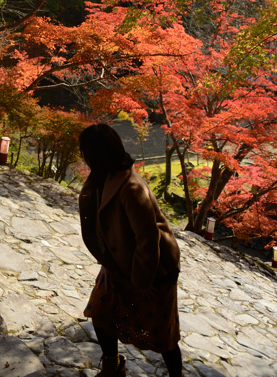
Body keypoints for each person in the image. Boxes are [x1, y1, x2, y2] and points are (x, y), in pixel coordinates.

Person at [78, 124, 182, 377]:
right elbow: (108, 229)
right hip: (119, 264)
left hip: (155, 270)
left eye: (85, 151)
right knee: (101, 312)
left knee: (162, 335)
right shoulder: (102, 178)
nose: (82, 156)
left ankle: (176, 375)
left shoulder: (131, 188)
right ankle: (113, 366)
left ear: (96, 154)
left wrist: (142, 281)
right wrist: (106, 263)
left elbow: (148, 239)